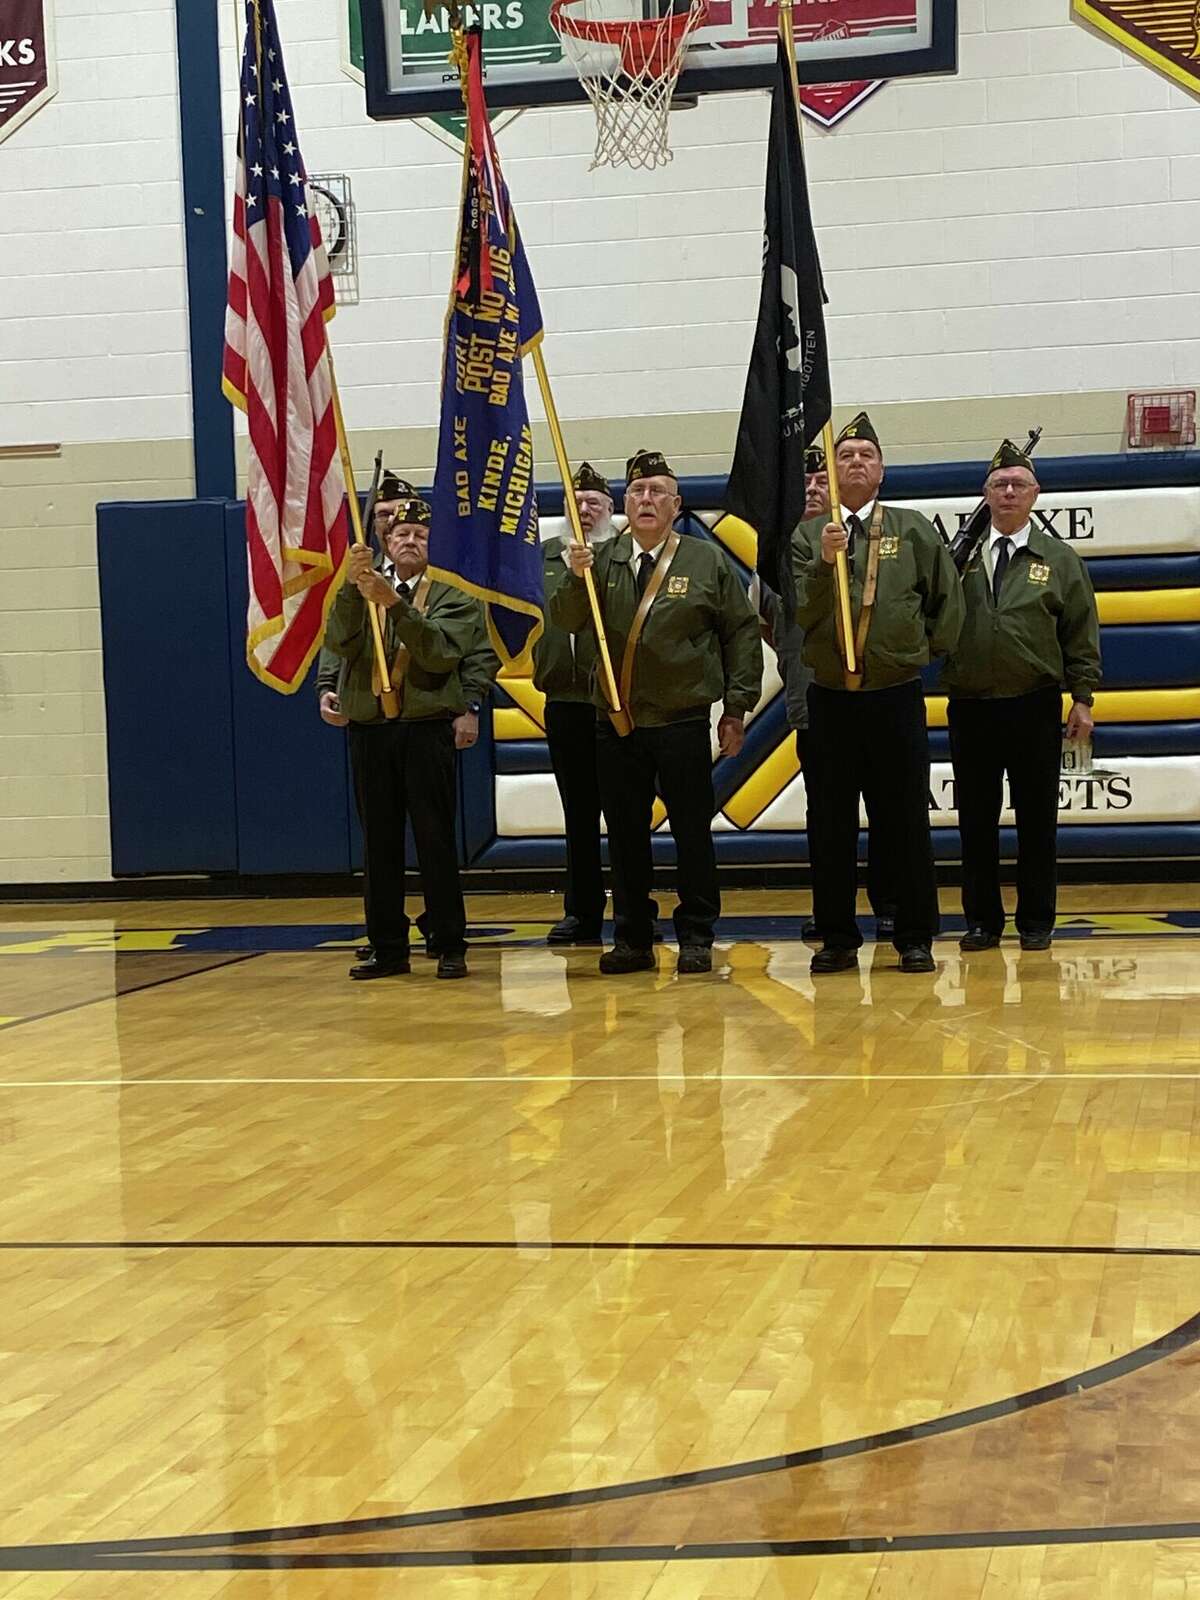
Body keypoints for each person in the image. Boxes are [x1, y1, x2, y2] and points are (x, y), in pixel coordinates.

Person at [553, 449, 763, 976]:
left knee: (691, 831)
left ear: (676, 504)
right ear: (626, 503)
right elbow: (567, 622)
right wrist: (574, 578)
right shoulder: (600, 560)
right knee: (624, 835)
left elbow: (739, 633)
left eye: (657, 493)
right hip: (617, 722)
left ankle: (696, 933)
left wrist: (736, 707)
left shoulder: (703, 559)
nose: (646, 500)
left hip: (681, 720)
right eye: (638, 492)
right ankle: (633, 936)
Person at [791, 412, 964, 975]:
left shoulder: (912, 529)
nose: (857, 461)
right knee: (831, 822)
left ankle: (914, 936)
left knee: (905, 820)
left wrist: (910, 653)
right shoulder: (806, 536)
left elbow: (946, 605)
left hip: (894, 696)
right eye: (846, 456)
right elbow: (800, 612)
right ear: (832, 472)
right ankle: (837, 937)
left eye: (867, 454)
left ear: (882, 470)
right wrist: (824, 561)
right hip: (831, 699)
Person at [321, 476, 498, 981]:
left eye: (420, 535)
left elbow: (441, 652)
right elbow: (339, 641)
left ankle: (448, 941)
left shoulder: (454, 594)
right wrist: (357, 593)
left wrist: (395, 604)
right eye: (400, 535)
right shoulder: (359, 587)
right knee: (379, 842)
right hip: (371, 727)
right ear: (384, 542)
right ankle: (387, 946)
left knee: (435, 837)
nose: (409, 541)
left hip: (425, 727)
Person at [944, 439, 1101, 952]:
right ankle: (982, 922)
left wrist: (1082, 697)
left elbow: (1080, 630)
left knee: (1037, 821)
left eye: (1018, 484)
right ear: (985, 494)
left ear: (1036, 494)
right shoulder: (957, 557)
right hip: (970, 705)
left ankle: (1036, 920)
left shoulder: (1058, 559)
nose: (1008, 492)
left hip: (1033, 703)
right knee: (976, 823)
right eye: (999, 484)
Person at [755, 441, 897, 942]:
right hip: (815, 704)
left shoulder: (865, 537)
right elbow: (770, 625)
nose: (813, 491)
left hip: (875, 695)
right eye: (804, 485)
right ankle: (830, 908)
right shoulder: (779, 555)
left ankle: (891, 904)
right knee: (827, 820)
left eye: (821, 482)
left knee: (887, 810)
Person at [533, 462, 615, 946]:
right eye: (575, 502)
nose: (584, 510)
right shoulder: (539, 558)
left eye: (594, 503)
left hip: (614, 702)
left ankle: (631, 907)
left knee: (625, 812)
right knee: (578, 814)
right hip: (563, 702)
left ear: (610, 511)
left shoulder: (624, 555)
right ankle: (581, 911)